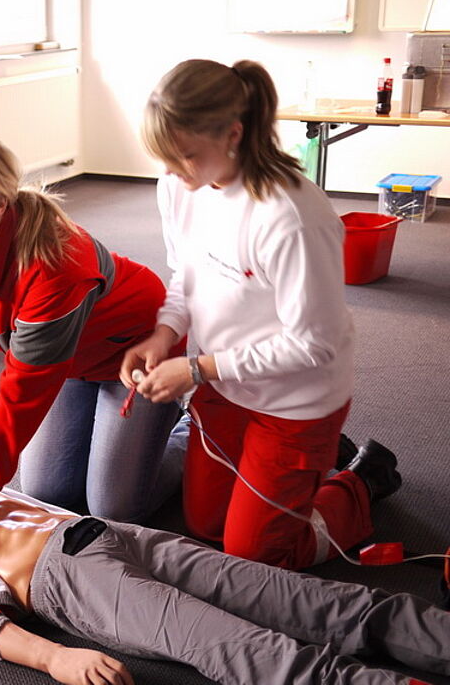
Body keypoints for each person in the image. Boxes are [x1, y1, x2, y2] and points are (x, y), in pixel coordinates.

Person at [0, 456, 450, 685]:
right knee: (262, 654)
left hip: (112, 533)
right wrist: (54, 658)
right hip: (70, 581)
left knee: (321, 602)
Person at [122, 58, 402, 570]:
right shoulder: (179, 186)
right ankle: (304, 473)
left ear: (233, 134)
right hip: (224, 385)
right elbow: (185, 274)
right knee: (205, 526)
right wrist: (165, 332)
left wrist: (197, 368)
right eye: (162, 157)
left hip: (294, 401)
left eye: (184, 156)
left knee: (257, 556)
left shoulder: (292, 216)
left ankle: (361, 481)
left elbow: (314, 343)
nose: (170, 171)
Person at [0, 131, 186, 539]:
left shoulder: (55, 266)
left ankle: (188, 429)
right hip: (68, 364)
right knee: (48, 492)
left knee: (115, 508)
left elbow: (23, 391)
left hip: (136, 356)